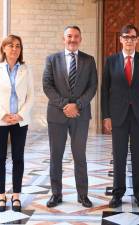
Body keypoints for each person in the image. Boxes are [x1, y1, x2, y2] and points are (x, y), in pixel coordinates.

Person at [101, 24, 139, 209]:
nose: (129, 40)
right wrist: (106, 116)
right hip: (118, 116)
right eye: (126, 37)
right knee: (119, 156)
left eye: (133, 37)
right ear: (121, 39)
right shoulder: (110, 61)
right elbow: (104, 90)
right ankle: (118, 194)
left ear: (137, 40)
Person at [43, 25, 97, 208]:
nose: (72, 39)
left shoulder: (89, 60)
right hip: (57, 115)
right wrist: (65, 105)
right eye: (69, 36)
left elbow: (92, 87)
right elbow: (47, 86)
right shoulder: (52, 59)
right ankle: (56, 194)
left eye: (76, 36)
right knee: (55, 156)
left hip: (80, 115)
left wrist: (78, 105)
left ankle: (83, 195)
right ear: (63, 38)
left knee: (79, 155)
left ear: (80, 39)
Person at [0, 34, 34, 212]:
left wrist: (19, 115)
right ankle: (0, 196)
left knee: (18, 158)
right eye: (11, 45)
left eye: (18, 46)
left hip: (20, 121)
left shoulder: (25, 69)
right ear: (4, 48)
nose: (14, 49)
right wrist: (3, 114)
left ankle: (16, 196)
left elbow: (31, 96)